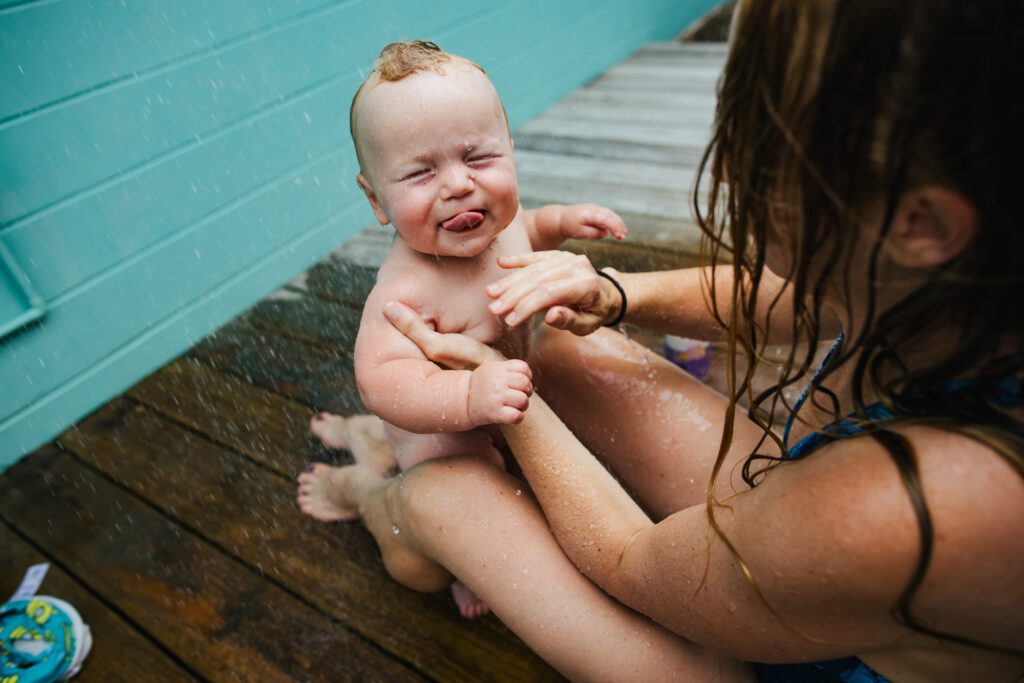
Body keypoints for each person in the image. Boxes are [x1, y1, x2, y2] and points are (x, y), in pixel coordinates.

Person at [297, 2, 1024, 681]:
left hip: (786, 633)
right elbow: (793, 297)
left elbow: (630, 558)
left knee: (443, 488)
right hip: (825, 542)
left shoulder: (913, 507)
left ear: (923, 225)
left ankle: (378, 495)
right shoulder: (967, 282)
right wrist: (615, 295)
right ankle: (395, 439)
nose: (733, 171)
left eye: (765, 144)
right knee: (564, 347)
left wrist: (498, 398)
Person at [295, 40, 627, 618]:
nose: (458, 185)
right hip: (446, 434)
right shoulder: (404, 291)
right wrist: (467, 396)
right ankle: (440, 550)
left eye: (478, 158)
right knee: (468, 501)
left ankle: (356, 433)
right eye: (421, 173)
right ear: (376, 200)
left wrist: (566, 222)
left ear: (511, 152)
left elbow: (531, 224)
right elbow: (383, 379)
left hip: (507, 403)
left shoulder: (499, 226)